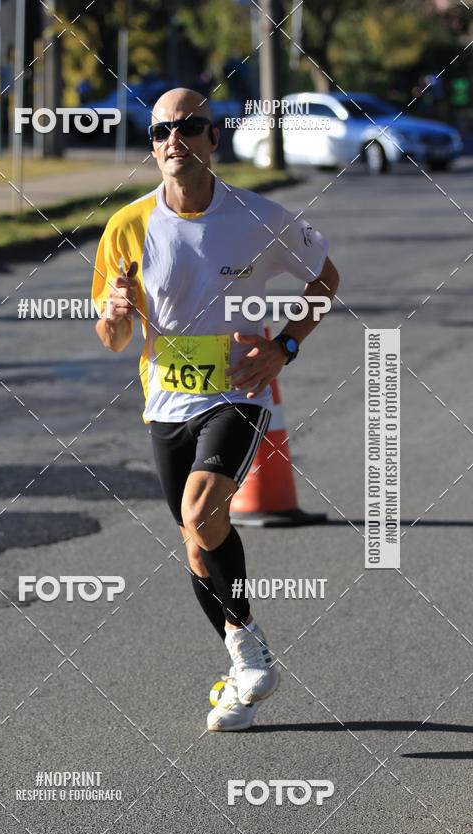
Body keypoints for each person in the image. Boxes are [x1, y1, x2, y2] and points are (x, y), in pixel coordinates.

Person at [92, 88, 339, 731]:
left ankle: (247, 660)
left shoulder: (258, 216)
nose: (174, 139)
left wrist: (283, 347)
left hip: (237, 390)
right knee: (196, 542)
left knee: (204, 512)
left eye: (190, 126)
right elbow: (114, 338)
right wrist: (116, 317)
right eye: (160, 131)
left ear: (212, 140)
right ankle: (245, 660)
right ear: (152, 146)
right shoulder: (127, 227)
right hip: (165, 398)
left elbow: (325, 278)